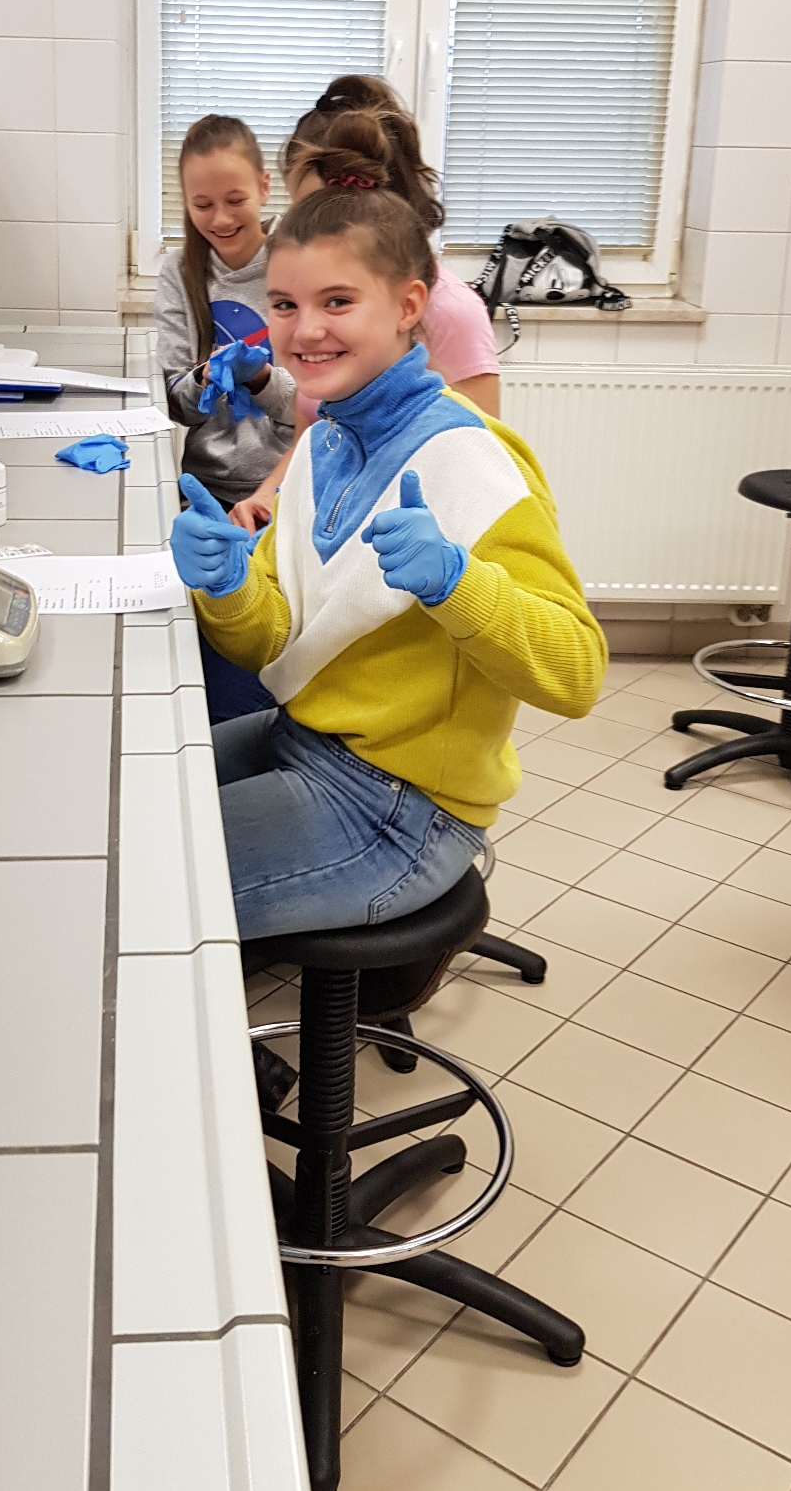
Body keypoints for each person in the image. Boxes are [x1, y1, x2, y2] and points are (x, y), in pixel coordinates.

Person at [169, 142, 606, 942]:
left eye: (337, 302)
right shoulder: (324, 442)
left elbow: (577, 675)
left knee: (149, 877)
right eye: (284, 304)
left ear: (408, 306)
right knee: (136, 797)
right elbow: (273, 637)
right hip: (304, 735)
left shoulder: (471, 460)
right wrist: (228, 586)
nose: (304, 331)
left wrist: (456, 585)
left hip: (401, 807)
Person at [230, 75, 500, 529]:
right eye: (301, 212)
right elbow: (314, 440)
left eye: (324, 212)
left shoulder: (451, 311)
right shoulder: (314, 316)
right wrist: (268, 499)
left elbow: (478, 470)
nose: (309, 230)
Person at [154, 113, 296, 719]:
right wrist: (203, 379)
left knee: (264, 666)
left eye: (235, 200)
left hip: (281, 497)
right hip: (207, 495)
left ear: (264, 188)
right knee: (213, 663)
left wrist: (261, 379)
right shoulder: (179, 272)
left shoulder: (295, 263)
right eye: (202, 204)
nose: (220, 218)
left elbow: (313, 409)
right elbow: (173, 402)